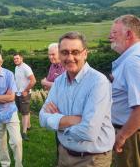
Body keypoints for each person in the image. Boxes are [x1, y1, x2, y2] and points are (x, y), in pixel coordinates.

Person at [39, 32, 115, 167]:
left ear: (85, 53)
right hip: (64, 154)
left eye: (75, 52)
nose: (70, 57)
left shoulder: (98, 83)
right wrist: (73, 120)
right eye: (64, 52)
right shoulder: (59, 82)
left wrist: (58, 123)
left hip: (92, 160)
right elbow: (42, 117)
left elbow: (88, 132)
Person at [109, 14, 140, 167]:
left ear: (128, 34)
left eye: (114, 33)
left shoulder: (132, 62)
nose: (110, 37)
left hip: (130, 136)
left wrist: (121, 137)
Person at [13, 53, 36, 141]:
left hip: (24, 94)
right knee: (24, 111)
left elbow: (33, 80)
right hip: (18, 93)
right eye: (14, 59)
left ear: (21, 58)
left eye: (17, 58)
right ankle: (29, 125)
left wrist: (26, 91)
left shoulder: (26, 68)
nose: (16, 60)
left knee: (24, 113)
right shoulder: (16, 67)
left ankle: (24, 132)